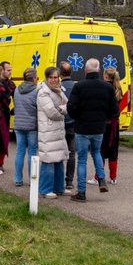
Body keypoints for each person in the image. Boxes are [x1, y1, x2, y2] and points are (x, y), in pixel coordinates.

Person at [66, 58, 117, 201]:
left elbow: (71, 107)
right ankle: (101, 178)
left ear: (85, 70)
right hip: (99, 127)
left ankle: (81, 192)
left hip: (82, 127)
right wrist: (105, 118)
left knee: (82, 159)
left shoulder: (79, 86)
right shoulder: (107, 87)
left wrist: (77, 117)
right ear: (99, 70)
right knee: (96, 153)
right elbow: (115, 110)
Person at [36, 66, 69, 198]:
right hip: (48, 130)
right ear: (46, 78)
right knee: (48, 160)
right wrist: (62, 111)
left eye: (56, 77)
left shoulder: (60, 89)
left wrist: (60, 109)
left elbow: (67, 105)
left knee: (59, 160)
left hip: (58, 130)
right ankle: (45, 189)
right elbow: (51, 112)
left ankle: (59, 188)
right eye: (51, 77)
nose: (54, 80)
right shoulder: (43, 92)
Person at [11, 67, 40, 188]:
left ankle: (18, 178)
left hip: (18, 124)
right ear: (34, 78)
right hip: (32, 125)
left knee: (20, 152)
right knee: (32, 153)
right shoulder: (37, 91)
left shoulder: (17, 89)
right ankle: (32, 179)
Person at [100, 66, 123, 184]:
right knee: (113, 150)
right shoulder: (118, 88)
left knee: (101, 150)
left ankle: (98, 176)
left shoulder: (104, 88)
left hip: (105, 122)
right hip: (114, 124)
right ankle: (113, 177)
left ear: (105, 75)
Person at [59, 61, 77, 191]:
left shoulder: (58, 87)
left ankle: (59, 181)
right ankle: (69, 181)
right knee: (71, 153)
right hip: (73, 124)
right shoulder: (76, 87)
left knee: (58, 153)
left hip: (60, 123)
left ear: (60, 74)